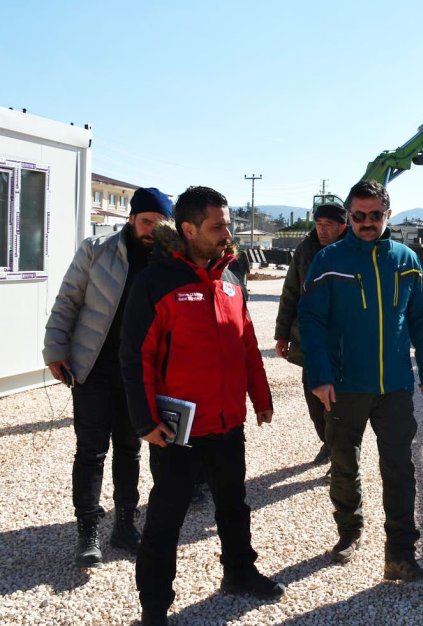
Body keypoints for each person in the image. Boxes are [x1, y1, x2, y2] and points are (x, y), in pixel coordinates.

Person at [119, 186, 283, 625]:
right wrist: (145, 421)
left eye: (227, 224)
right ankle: (154, 605)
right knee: (166, 518)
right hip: (178, 430)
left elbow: (246, 343)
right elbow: (135, 357)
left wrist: (261, 397)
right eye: (217, 226)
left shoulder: (231, 277)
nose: (227, 233)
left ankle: (239, 572)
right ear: (188, 229)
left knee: (234, 505)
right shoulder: (155, 281)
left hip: (227, 422)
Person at [299, 180, 423, 582]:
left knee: (400, 469)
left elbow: (419, 318)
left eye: (375, 215)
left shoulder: (406, 260)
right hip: (345, 385)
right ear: (349, 217)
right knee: (344, 464)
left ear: (387, 215)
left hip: (394, 386)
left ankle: (400, 554)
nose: (366, 222)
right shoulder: (328, 261)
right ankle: (349, 531)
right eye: (358, 215)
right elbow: (311, 321)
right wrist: (320, 376)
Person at [43, 187, 172, 567]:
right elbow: (68, 300)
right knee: (91, 450)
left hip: (139, 373)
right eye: (146, 222)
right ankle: (88, 531)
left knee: (130, 449)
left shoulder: (170, 259)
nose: (152, 230)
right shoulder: (96, 250)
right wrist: (55, 349)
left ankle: (125, 525)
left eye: (159, 224)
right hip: (93, 366)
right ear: (131, 219)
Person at [274, 201, 347, 473]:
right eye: (319, 224)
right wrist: (282, 334)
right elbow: (290, 292)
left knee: (339, 406)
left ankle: (341, 460)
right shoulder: (305, 250)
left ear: (343, 226)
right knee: (314, 404)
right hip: (310, 343)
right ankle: (328, 443)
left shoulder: (353, 250)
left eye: (329, 225)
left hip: (343, 346)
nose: (322, 230)